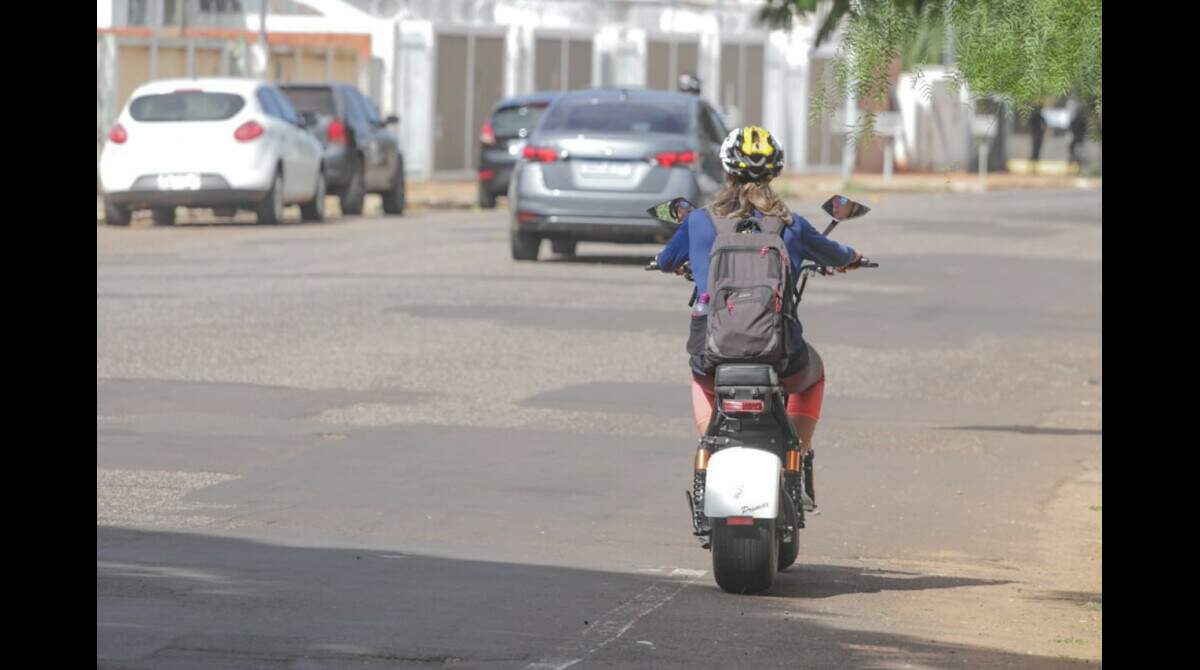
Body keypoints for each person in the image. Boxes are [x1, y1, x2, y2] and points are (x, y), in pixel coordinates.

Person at [653, 125, 865, 511]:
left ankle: (708, 449)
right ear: (775, 172)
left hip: (713, 350)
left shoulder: (699, 222)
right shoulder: (791, 224)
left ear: (726, 171)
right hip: (779, 353)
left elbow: (666, 260)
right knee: (813, 374)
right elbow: (835, 252)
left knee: (701, 374)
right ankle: (799, 453)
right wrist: (852, 257)